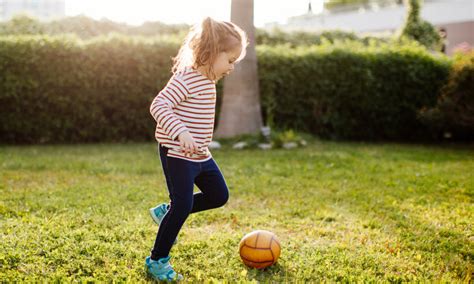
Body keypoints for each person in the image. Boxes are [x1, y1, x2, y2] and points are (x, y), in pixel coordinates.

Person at [144, 17, 248, 281]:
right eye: (230, 60)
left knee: (218, 195)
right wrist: (181, 132)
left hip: (201, 155)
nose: (232, 67)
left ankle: (167, 213)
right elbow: (158, 105)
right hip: (177, 154)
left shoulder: (208, 80)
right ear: (212, 53)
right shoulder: (186, 77)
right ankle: (157, 260)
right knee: (183, 204)